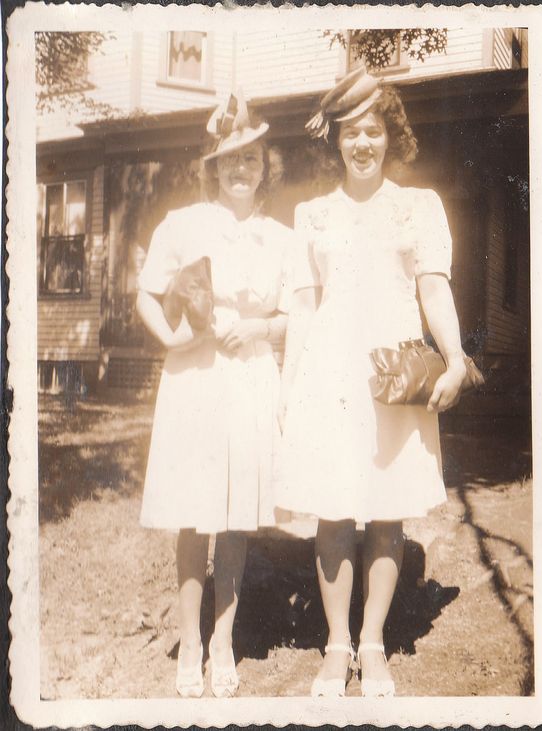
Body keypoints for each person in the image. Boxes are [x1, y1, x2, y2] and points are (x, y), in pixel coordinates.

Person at [276, 66, 467, 698]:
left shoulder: (419, 207)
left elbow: (433, 289)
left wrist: (457, 358)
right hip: (329, 379)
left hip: (392, 378)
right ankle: (336, 646)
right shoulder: (311, 214)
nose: (362, 143)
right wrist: (287, 384)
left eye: (374, 131)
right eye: (351, 132)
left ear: (391, 137)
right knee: (333, 513)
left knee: (386, 515)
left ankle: (375, 643)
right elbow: (303, 309)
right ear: (334, 140)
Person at [137, 91, 293, 698]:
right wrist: (173, 341)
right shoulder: (183, 225)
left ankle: (223, 642)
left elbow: (293, 317)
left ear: (264, 166)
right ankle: (191, 642)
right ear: (213, 165)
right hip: (195, 381)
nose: (240, 167)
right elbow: (147, 295)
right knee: (194, 514)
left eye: (250, 158)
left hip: (250, 375)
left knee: (235, 519)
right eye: (229, 158)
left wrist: (257, 327)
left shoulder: (280, 237)